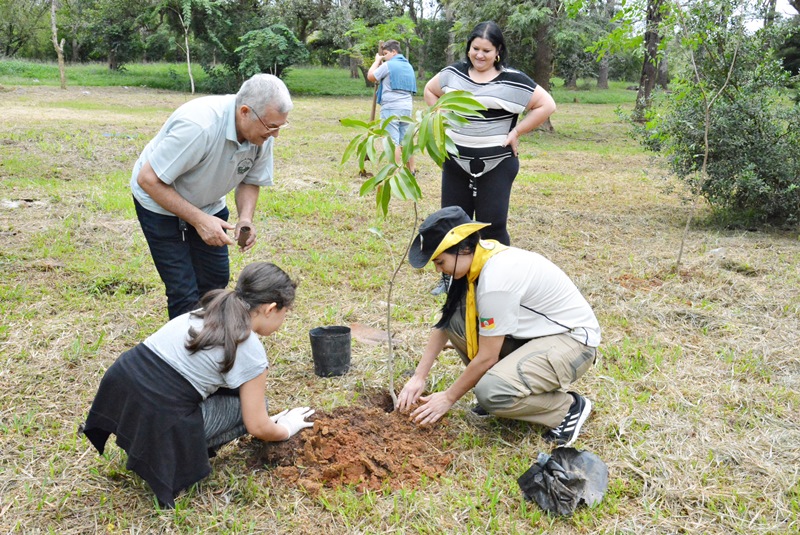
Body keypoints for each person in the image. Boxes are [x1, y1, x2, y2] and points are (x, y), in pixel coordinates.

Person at [80, 262, 314, 507]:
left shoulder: (207, 310)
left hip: (121, 395)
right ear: (270, 309)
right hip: (159, 416)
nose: (284, 320)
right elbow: (257, 425)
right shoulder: (250, 349)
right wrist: (286, 428)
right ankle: (176, 454)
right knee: (255, 407)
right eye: (286, 313)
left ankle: (146, 439)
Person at [397, 206, 600, 448]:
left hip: (573, 344)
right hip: (535, 335)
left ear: (463, 248)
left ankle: (567, 409)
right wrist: (419, 377)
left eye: (440, 261)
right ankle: (506, 387)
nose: (438, 269)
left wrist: (448, 397)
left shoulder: (496, 278)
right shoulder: (478, 259)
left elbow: (487, 356)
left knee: (490, 392)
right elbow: (445, 323)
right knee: (458, 320)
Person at [131, 73, 293, 319]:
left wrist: (246, 218)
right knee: (183, 290)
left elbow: (251, 179)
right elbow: (148, 180)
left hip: (208, 204)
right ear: (245, 111)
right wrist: (198, 221)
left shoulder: (262, 132)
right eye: (272, 126)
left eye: (280, 126)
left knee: (215, 281)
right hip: (159, 201)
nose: (275, 134)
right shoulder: (199, 125)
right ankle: (186, 352)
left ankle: (212, 341)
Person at [425, 22, 556, 295]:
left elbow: (547, 105)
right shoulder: (453, 74)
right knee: (453, 222)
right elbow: (430, 90)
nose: (480, 55)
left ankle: (498, 278)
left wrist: (517, 130)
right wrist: (440, 116)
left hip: (498, 164)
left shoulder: (513, 80)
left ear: (498, 52)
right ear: (468, 48)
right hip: (456, 161)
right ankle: (451, 278)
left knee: (492, 223)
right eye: (475, 49)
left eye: (487, 50)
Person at [367, 39, 417, 173]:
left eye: (385, 53)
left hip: (391, 108)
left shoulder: (389, 65)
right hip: (407, 107)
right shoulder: (408, 66)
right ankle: (411, 169)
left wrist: (377, 61)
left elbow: (371, 76)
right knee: (406, 140)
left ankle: (393, 171)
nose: (384, 56)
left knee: (392, 141)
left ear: (394, 52)